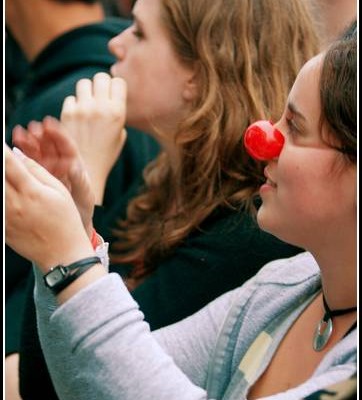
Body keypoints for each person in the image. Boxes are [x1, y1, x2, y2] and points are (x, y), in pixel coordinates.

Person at [5, 26, 357, 399]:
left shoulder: (248, 241)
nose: (263, 137)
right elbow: (88, 380)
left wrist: (69, 258)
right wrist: (74, 232)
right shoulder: (279, 290)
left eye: (296, 128)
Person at [4, 0, 159, 398]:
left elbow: (35, 379)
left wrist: (75, 208)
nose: (118, 46)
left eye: (139, 32)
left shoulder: (77, 101)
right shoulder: (112, 89)